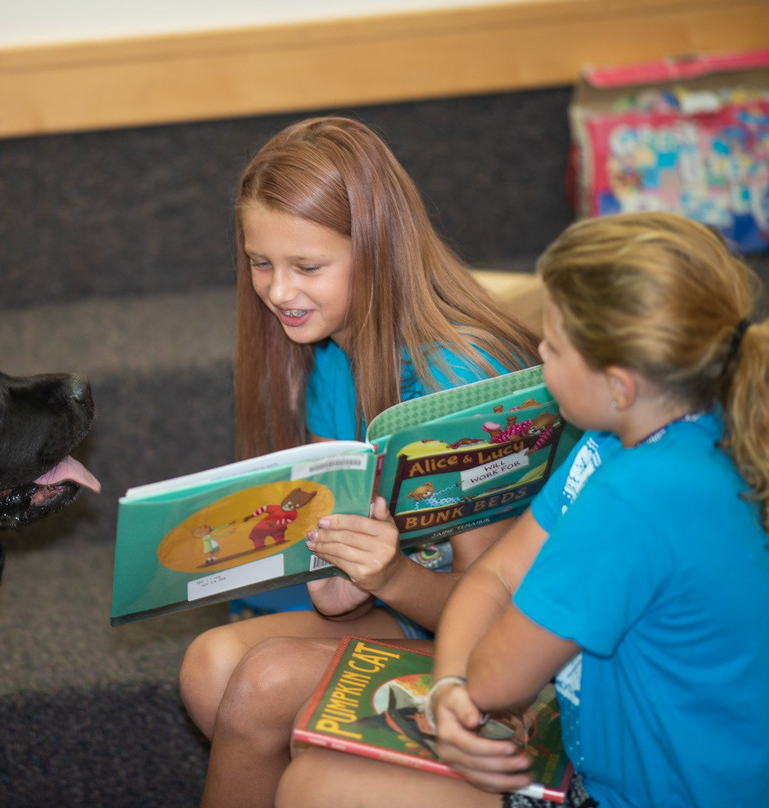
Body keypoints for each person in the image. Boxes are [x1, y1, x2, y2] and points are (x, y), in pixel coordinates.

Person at [275, 211, 769, 808]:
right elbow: (495, 575)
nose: (537, 352)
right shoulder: (625, 442)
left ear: (619, 385)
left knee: (315, 786)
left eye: (553, 346)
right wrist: (452, 684)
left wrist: (462, 691)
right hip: (612, 758)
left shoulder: (635, 497)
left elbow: (501, 677)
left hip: (635, 795)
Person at [178, 116, 539, 808]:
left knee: (261, 680)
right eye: (261, 263)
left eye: (307, 267)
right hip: (412, 609)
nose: (279, 291)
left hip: (504, 647)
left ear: (377, 251)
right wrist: (337, 572)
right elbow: (342, 550)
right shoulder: (326, 352)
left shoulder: (459, 378)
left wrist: (391, 575)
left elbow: (496, 612)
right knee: (211, 665)